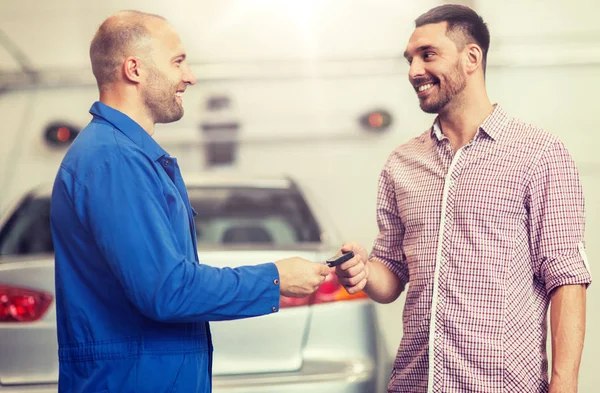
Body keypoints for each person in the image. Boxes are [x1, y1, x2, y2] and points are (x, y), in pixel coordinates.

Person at [49, 10, 330, 393]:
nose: (190, 76)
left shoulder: (129, 156)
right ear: (135, 69)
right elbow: (167, 291)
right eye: (178, 61)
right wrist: (276, 277)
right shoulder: (114, 160)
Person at [333, 4, 592, 393]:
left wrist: (565, 383)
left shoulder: (539, 154)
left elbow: (567, 279)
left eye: (428, 55)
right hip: (414, 384)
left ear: (472, 58)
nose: (413, 71)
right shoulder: (401, 163)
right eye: (410, 59)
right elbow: (391, 275)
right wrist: (365, 272)